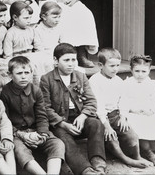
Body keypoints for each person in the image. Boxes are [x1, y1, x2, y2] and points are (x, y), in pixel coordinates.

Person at [40, 43, 106, 175]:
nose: (71, 64)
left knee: (96, 124)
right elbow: (45, 107)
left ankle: (98, 164)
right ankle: (85, 170)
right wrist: (63, 124)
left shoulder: (80, 76)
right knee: (62, 136)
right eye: (66, 60)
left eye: (73, 60)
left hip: (78, 118)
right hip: (59, 122)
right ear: (55, 61)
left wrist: (83, 116)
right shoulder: (47, 79)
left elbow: (91, 101)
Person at [88, 48, 152, 168]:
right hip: (100, 118)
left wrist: (123, 116)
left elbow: (124, 100)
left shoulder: (118, 80)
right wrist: (106, 126)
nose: (116, 69)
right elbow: (98, 106)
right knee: (111, 138)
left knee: (131, 136)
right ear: (100, 65)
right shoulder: (95, 81)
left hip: (115, 115)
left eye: (117, 65)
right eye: (112, 66)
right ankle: (126, 160)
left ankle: (137, 156)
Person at [0, 56, 65, 174]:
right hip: (15, 133)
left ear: (31, 73)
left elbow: (42, 115)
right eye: (19, 73)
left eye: (27, 72)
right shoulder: (4, 93)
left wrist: (43, 134)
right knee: (19, 149)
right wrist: (21, 134)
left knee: (57, 144)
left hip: (36, 131)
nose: (24, 76)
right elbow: (4, 120)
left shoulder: (36, 90)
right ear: (10, 75)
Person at [120, 55, 155, 167]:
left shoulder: (151, 84)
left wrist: (152, 110)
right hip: (133, 113)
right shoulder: (126, 84)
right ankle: (147, 152)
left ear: (149, 71)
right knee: (139, 126)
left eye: (144, 71)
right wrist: (129, 111)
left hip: (149, 112)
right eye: (137, 71)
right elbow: (123, 101)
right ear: (131, 70)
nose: (140, 74)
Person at [3, 1, 51, 86]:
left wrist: (40, 55)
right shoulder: (11, 33)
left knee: (43, 62)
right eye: (26, 18)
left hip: (30, 56)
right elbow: (8, 53)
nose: (29, 21)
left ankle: (40, 88)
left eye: (30, 18)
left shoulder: (31, 30)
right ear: (15, 17)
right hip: (17, 58)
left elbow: (38, 46)